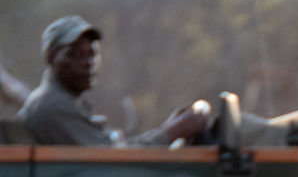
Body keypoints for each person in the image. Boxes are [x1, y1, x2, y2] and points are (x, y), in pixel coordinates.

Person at [17, 15, 206, 146]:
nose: (87, 63)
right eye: (73, 54)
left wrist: (167, 129)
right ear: (50, 59)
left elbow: (115, 148)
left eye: (92, 54)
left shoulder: (61, 101)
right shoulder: (54, 106)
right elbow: (114, 159)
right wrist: (173, 132)